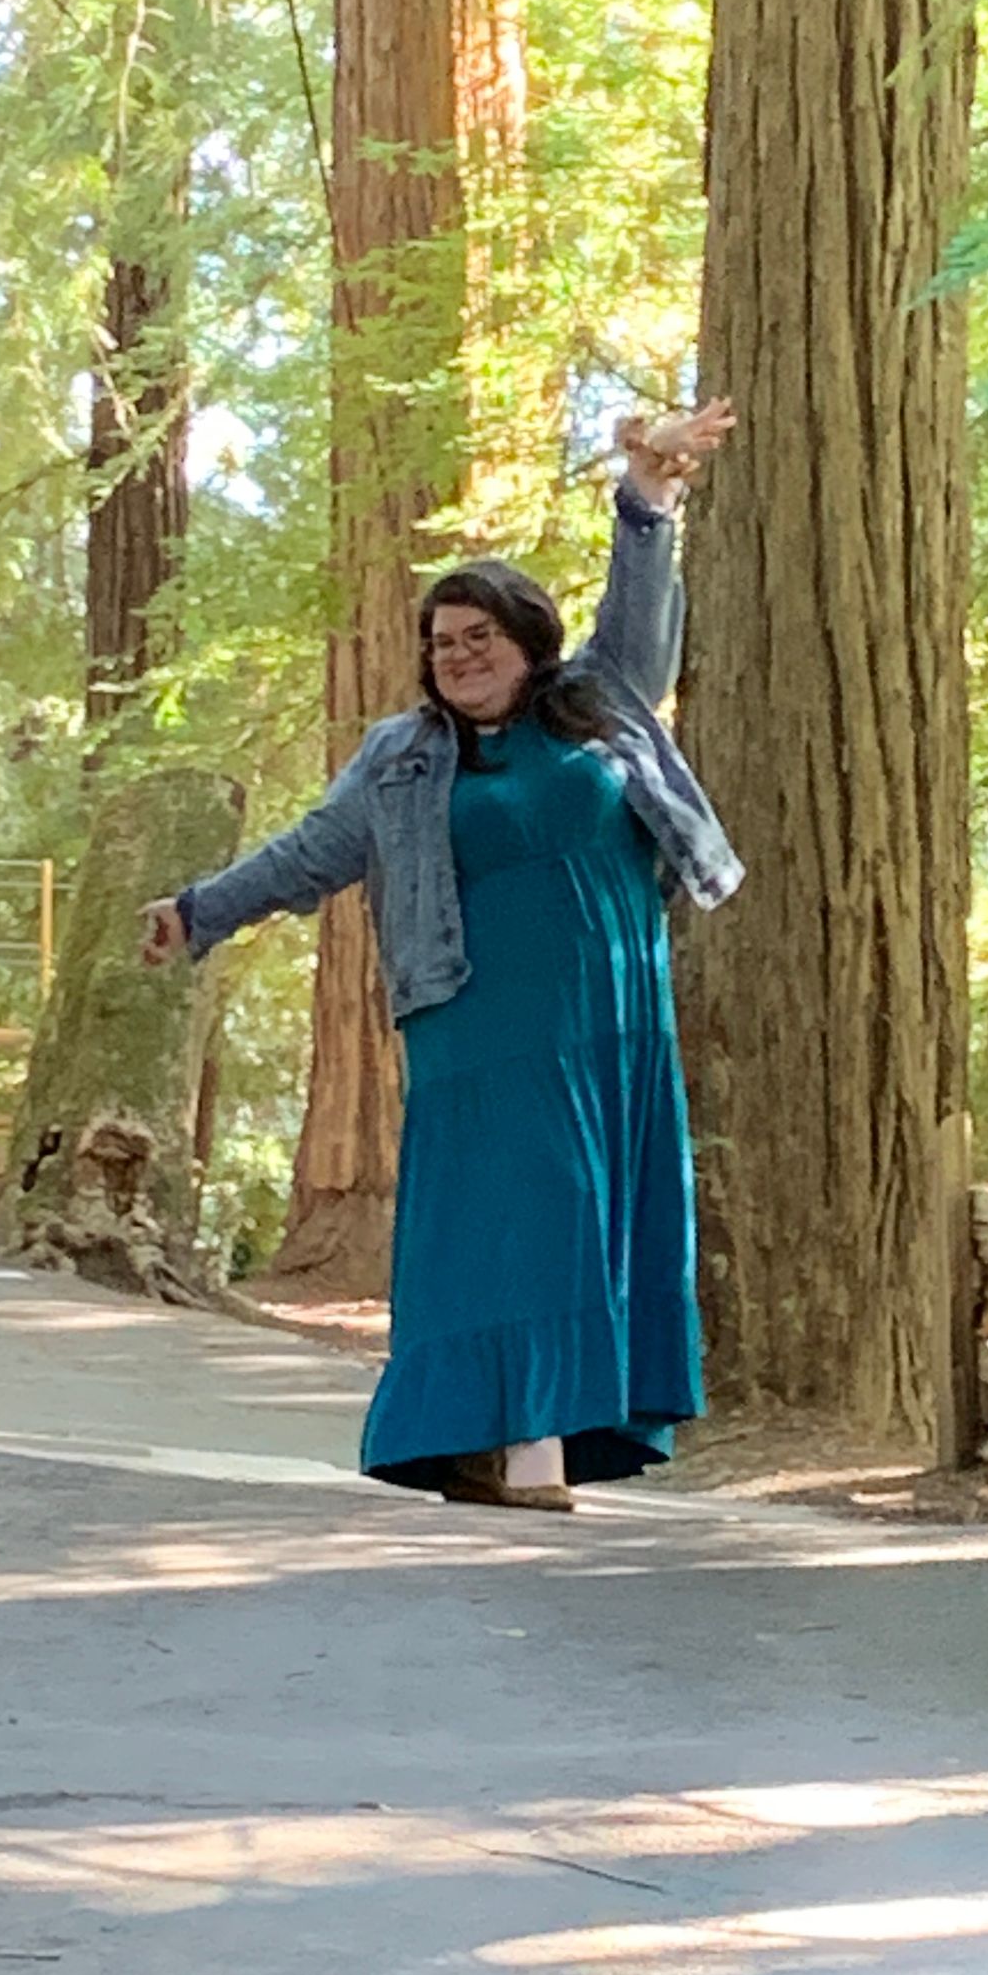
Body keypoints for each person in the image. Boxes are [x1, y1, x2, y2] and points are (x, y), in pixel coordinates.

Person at [141, 401, 743, 1512]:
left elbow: (645, 621)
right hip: (478, 1017)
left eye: (480, 637)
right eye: (442, 642)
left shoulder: (599, 706)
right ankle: (522, 1446)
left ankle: (505, 1434)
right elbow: (313, 852)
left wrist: (648, 499)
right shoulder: (402, 759)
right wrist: (200, 909)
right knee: (519, 1213)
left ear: (527, 641)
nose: (458, 657)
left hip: (612, 1014)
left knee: (588, 1209)